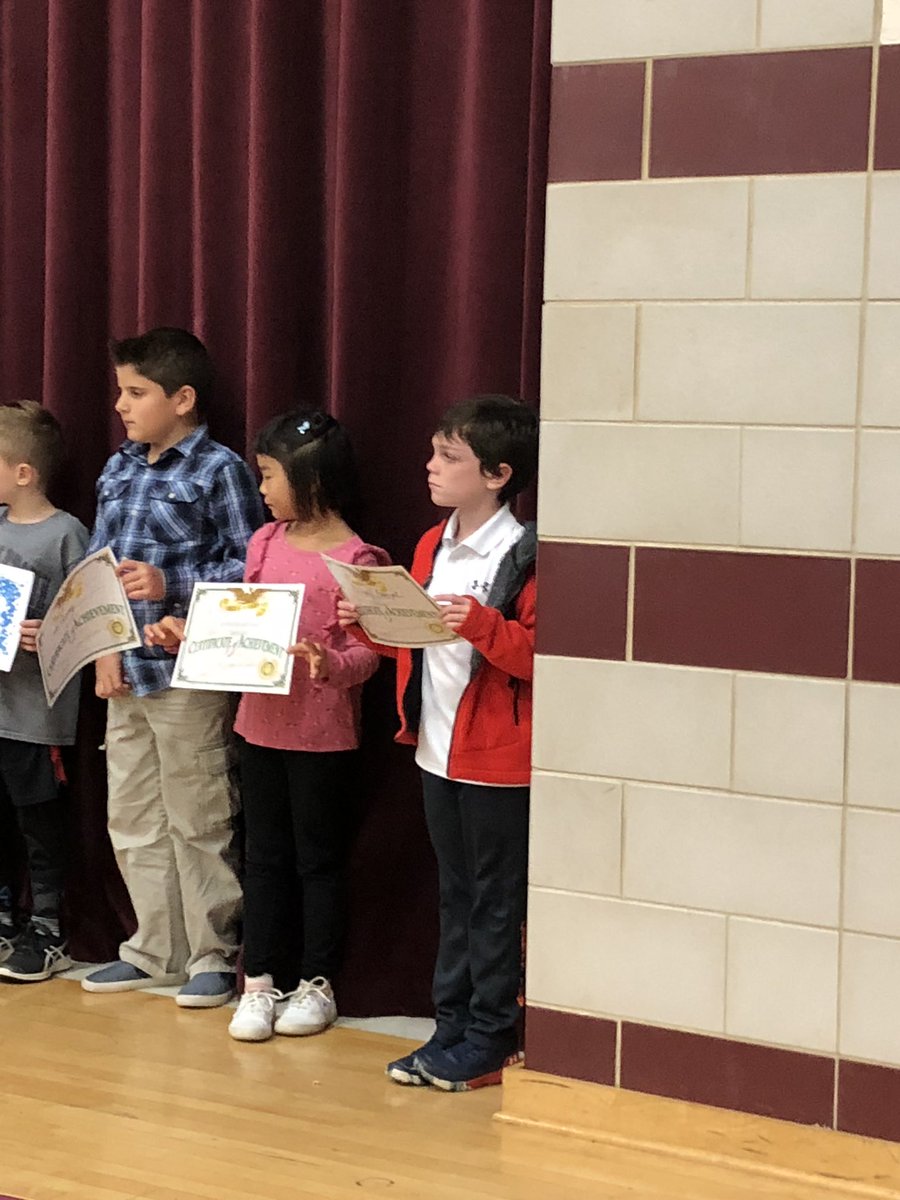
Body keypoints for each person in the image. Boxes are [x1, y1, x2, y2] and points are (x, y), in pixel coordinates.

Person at [146, 409, 388, 1041]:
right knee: (264, 858)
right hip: (258, 726)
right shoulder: (264, 543)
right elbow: (239, 628)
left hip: (323, 735)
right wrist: (188, 638)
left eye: (271, 476)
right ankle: (259, 981)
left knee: (317, 861)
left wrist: (330, 664)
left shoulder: (358, 557)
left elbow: (374, 653)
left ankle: (316, 982)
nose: (262, 489)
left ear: (310, 477)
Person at [338, 393, 538, 1091]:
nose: (430, 467)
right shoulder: (430, 544)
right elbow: (415, 642)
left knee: (495, 901)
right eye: (432, 452)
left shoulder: (525, 551)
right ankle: (451, 1025)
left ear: (497, 474)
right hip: (436, 748)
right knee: (455, 894)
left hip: (500, 763)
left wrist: (483, 624)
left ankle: (492, 1035)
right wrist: (367, 620)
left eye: (449, 457)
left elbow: (545, 659)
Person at [80, 327, 264, 1008]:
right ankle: (152, 946)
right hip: (123, 671)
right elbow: (96, 570)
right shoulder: (118, 468)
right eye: (120, 392)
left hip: (187, 671)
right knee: (132, 812)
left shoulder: (219, 469)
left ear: (182, 398)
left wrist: (171, 580)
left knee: (200, 812)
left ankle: (212, 952)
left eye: (137, 392)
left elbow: (252, 566)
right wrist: (102, 648)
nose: (123, 405)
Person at [0, 401, 88, 983]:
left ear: (23, 471)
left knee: (39, 821)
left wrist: (47, 631)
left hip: (36, 714)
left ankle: (48, 926)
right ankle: (7, 915)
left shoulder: (66, 534)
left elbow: (89, 618)